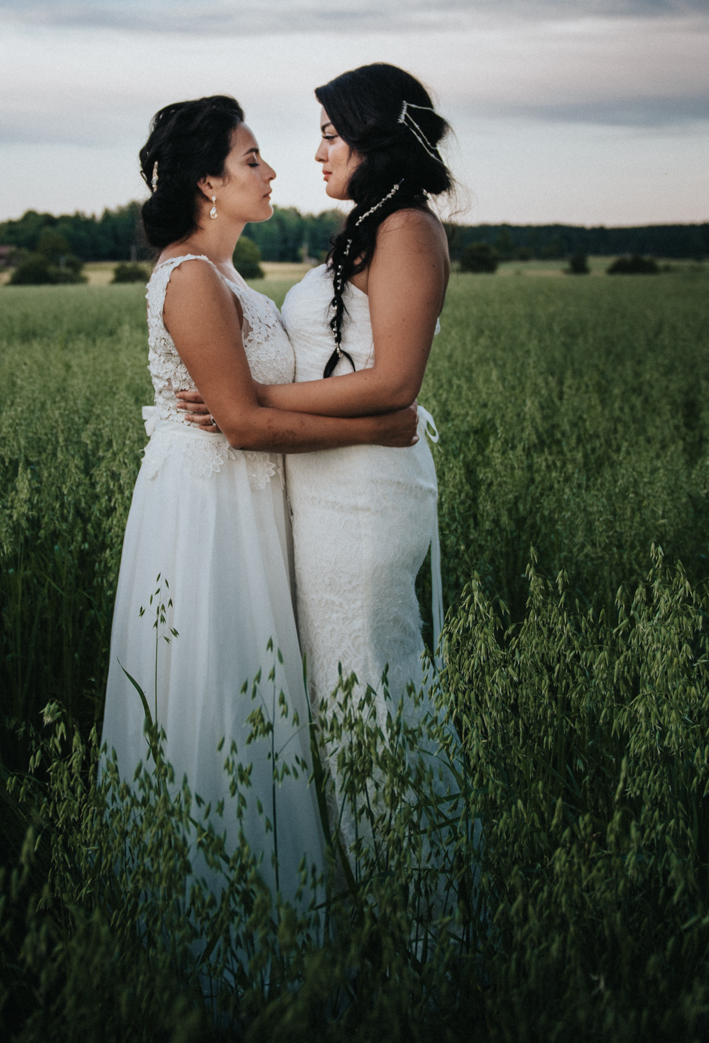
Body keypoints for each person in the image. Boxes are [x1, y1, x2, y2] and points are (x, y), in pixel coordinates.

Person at [100, 94, 420, 919]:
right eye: (251, 160)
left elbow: (262, 402)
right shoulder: (190, 277)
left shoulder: (229, 274)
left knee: (260, 688)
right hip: (206, 509)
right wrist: (383, 427)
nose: (273, 170)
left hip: (246, 499)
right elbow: (241, 424)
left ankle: (281, 902)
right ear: (208, 182)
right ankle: (221, 920)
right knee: (221, 686)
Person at [177, 64, 460, 877]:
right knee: (342, 704)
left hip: (364, 503)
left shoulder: (406, 227)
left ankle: (426, 920)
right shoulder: (373, 224)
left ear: (376, 138)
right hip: (331, 491)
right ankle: (383, 899)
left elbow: (396, 382)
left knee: (368, 693)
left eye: (331, 134)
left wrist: (252, 399)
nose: (317, 153)